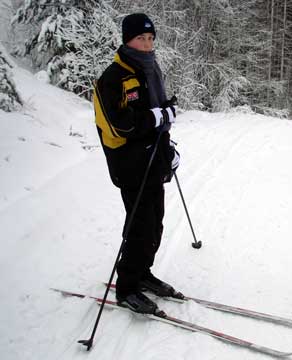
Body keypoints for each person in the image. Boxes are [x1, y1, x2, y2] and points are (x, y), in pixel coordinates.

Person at [93, 13, 183, 314]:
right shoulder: (113, 78)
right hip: (130, 166)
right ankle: (127, 286)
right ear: (126, 40)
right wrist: (158, 117)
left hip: (152, 160)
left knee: (155, 222)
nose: (146, 44)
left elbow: (155, 113)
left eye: (149, 38)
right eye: (140, 38)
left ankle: (142, 272)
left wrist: (167, 146)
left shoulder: (149, 69)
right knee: (140, 225)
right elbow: (121, 126)